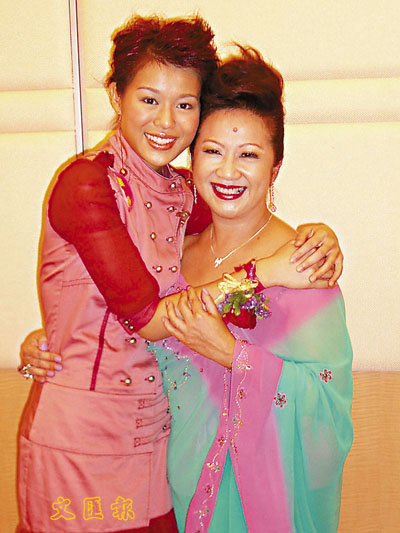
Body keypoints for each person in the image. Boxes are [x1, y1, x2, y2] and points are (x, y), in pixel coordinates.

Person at [17, 14, 344, 533]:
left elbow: (239, 213)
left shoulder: (182, 193)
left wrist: (319, 233)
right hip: (85, 445)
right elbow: (150, 318)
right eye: (149, 99)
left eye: (185, 105)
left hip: (159, 448)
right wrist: (265, 273)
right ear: (116, 95)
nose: (166, 121)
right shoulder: (88, 186)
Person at [146, 46, 353, 532]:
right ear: (191, 156)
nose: (228, 172)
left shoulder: (303, 263)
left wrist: (230, 353)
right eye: (212, 150)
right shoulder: (170, 250)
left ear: (275, 167)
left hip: (256, 510)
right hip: (166, 490)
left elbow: (326, 417)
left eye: (249, 155)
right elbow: (136, 339)